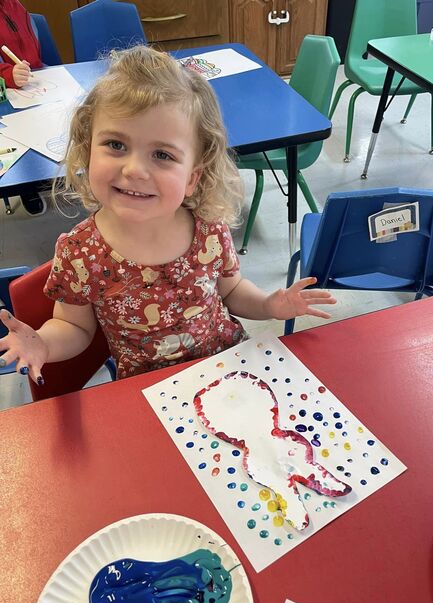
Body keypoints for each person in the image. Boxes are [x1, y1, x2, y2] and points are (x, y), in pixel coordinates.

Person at [0, 45, 336, 386]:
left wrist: (269, 305)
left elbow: (232, 291)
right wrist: (42, 343)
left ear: (192, 178)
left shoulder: (209, 230)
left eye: (162, 154)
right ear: (87, 152)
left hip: (228, 370)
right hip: (149, 389)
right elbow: (74, 326)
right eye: (116, 145)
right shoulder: (80, 252)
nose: (134, 169)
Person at [0, 0, 45, 215]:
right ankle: (28, 187)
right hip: (7, 90)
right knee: (19, 135)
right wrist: (8, 74)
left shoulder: (15, 4)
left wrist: (32, 69)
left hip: (34, 80)